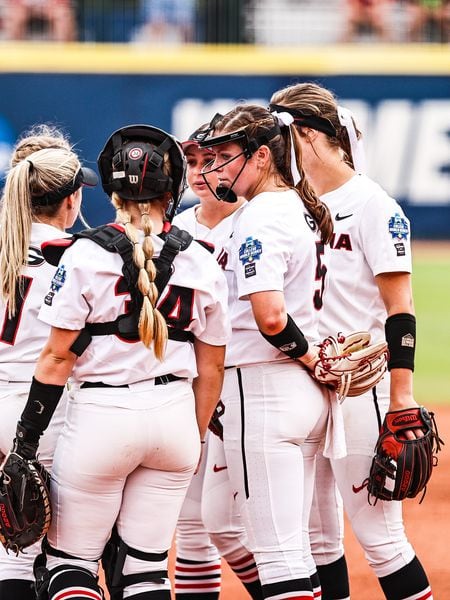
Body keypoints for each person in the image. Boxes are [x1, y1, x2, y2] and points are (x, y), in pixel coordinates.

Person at [3, 123, 230, 600]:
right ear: (173, 190)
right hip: (173, 420)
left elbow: (57, 357)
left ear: (110, 191)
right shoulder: (204, 259)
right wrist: (196, 431)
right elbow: (211, 368)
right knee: (146, 573)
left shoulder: (82, 255)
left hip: (93, 420)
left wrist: (25, 440)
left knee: (67, 566)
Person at [270, 82, 433, 600]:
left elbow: (400, 309)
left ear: (310, 135)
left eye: (282, 135)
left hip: (360, 388)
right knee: (317, 540)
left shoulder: (372, 205)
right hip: (302, 384)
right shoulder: (288, 205)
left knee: (381, 538)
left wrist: (401, 397)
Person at [198, 104, 338, 599]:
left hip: (263, 387)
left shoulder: (259, 216)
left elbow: (271, 317)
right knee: (294, 548)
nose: (215, 166)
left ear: (261, 156)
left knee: (278, 555)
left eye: (226, 155)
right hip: (301, 397)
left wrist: (309, 357)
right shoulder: (300, 205)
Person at [0, 129, 97, 599]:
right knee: (72, 558)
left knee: (10, 552)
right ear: (70, 199)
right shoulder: (83, 256)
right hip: (50, 412)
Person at [173, 124, 263, 599]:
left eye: (211, 161)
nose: (201, 173)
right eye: (192, 162)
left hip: (244, 385)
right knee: (189, 525)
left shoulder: (257, 222)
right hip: (186, 386)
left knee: (227, 527)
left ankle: (288, 588)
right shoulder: (178, 229)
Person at [3, 0, 77, 41]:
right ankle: (16, 58)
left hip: (53, 6)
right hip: (23, 6)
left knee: (62, 15)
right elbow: (13, 2)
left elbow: (63, 2)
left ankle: (63, 58)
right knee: (15, 15)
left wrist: (53, 4)